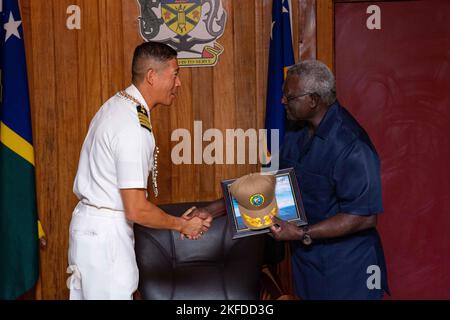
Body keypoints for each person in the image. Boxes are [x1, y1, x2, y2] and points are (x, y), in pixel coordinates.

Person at [67, 42, 211, 300]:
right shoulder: (132, 126)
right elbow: (136, 208)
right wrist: (182, 225)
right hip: (105, 238)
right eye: (175, 74)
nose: (178, 83)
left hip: (94, 231)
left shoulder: (116, 106)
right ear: (152, 77)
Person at [268, 59, 389, 300]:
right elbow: (275, 181)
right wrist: (218, 208)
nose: (282, 101)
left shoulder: (351, 145)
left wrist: (302, 233)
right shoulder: (297, 131)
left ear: (313, 100)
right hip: (307, 262)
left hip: (347, 269)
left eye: (289, 97)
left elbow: (363, 217)